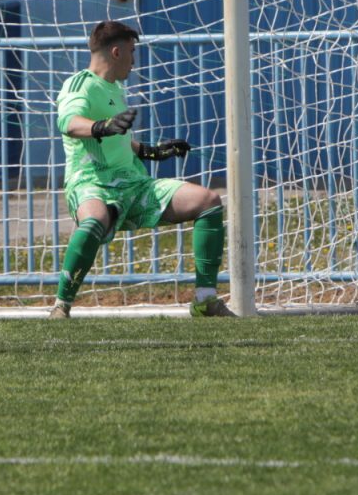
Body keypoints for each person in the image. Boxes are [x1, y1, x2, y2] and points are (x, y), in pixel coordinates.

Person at [49, 20, 234, 319]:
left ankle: (205, 300)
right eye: (132, 52)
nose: (135, 61)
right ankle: (61, 306)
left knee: (208, 201)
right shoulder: (79, 84)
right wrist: (101, 126)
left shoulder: (115, 88)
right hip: (92, 183)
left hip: (134, 185)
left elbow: (118, 139)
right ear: (116, 52)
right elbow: (69, 123)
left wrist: (151, 151)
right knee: (95, 220)